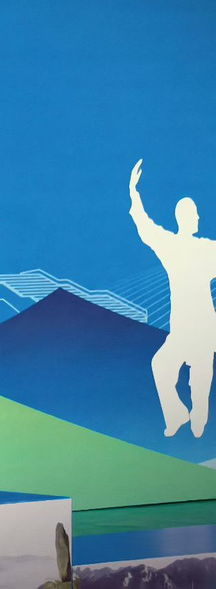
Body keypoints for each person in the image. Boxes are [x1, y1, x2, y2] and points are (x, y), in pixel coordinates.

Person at [129, 159, 216, 438]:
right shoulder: (200, 249)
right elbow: (146, 228)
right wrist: (133, 194)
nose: (199, 219)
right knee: (164, 367)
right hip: (186, 331)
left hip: (201, 330)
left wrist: (134, 194)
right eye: (196, 215)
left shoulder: (177, 247)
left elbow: (146, 228)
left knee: (198, 382)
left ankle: (197, 421)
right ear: (188, 218)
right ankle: (180, 415)